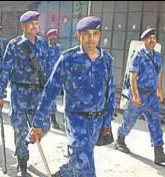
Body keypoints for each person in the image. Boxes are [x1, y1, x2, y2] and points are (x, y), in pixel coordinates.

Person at [30, 16, 116, 177]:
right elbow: (50, 91)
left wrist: (107, 121)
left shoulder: (107, 60)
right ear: (78, 36)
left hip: (97, 122)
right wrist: (38, 123)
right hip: (76, 121)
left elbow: (110, 93)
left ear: (100, 35)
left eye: (95, 33)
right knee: (86, 166)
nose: (91, 38)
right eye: (86, 34)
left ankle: (64, 173)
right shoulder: (68, 59)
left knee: (79, 159)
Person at [0, 11, 51, 176]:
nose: (34, 26)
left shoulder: (43, 44)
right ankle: (22, 164)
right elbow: (5, 70)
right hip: (19, 92)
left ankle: (26, 142)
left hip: (38, 93)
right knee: (19, 128)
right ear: (23, 26)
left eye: (36, 23)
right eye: (31, 23)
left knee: (43, 126)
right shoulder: (14, 44)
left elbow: (48, 69)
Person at [114, 28, 165, 164]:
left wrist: (160, 91)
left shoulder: (158, 56)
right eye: (149, 38)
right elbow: (133, 77)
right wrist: (136, 96)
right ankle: (120, 139)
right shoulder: (138, 55)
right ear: (144, 40)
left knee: (155, 123)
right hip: (139, 95)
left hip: (152, 96)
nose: (152, 40)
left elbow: (159, 74)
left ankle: (159, 152)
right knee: (130, 120)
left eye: (154, 38)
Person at [46, 28, 63, 129]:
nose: (53, 38)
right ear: (48, 37)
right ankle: (52, 119)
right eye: (51, 36)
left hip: (56, 78)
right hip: (46, 77)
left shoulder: (59, 48)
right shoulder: (45, 48)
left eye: (55, 36)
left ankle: (51, 118)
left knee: (53, 98)